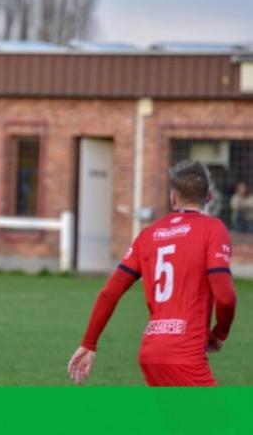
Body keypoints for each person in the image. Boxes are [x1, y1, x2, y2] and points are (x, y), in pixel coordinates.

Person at [68, 160, 237, 386]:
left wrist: (89, 343)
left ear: (173, 197)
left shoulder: (149, 235)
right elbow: (225, 297)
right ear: (209, 197)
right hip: (184, 354)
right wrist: (220, 333)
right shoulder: (213, 229)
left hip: (150, 353)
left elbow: (110, 292)